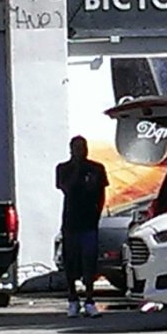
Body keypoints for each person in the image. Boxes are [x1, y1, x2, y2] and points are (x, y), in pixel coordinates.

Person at [56, 136, 109, 318]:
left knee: (89, 261)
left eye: (83, 147)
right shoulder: (64, 169)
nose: (81, 151)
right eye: (77, 148)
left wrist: (96, 214)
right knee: (71, 261)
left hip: (88, 222)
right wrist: (77, 168)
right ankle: (72, 299)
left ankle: (89, 299)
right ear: (71, 149)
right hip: (71, 222)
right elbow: (66, 188)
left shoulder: (96, 168)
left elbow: (101, 193)